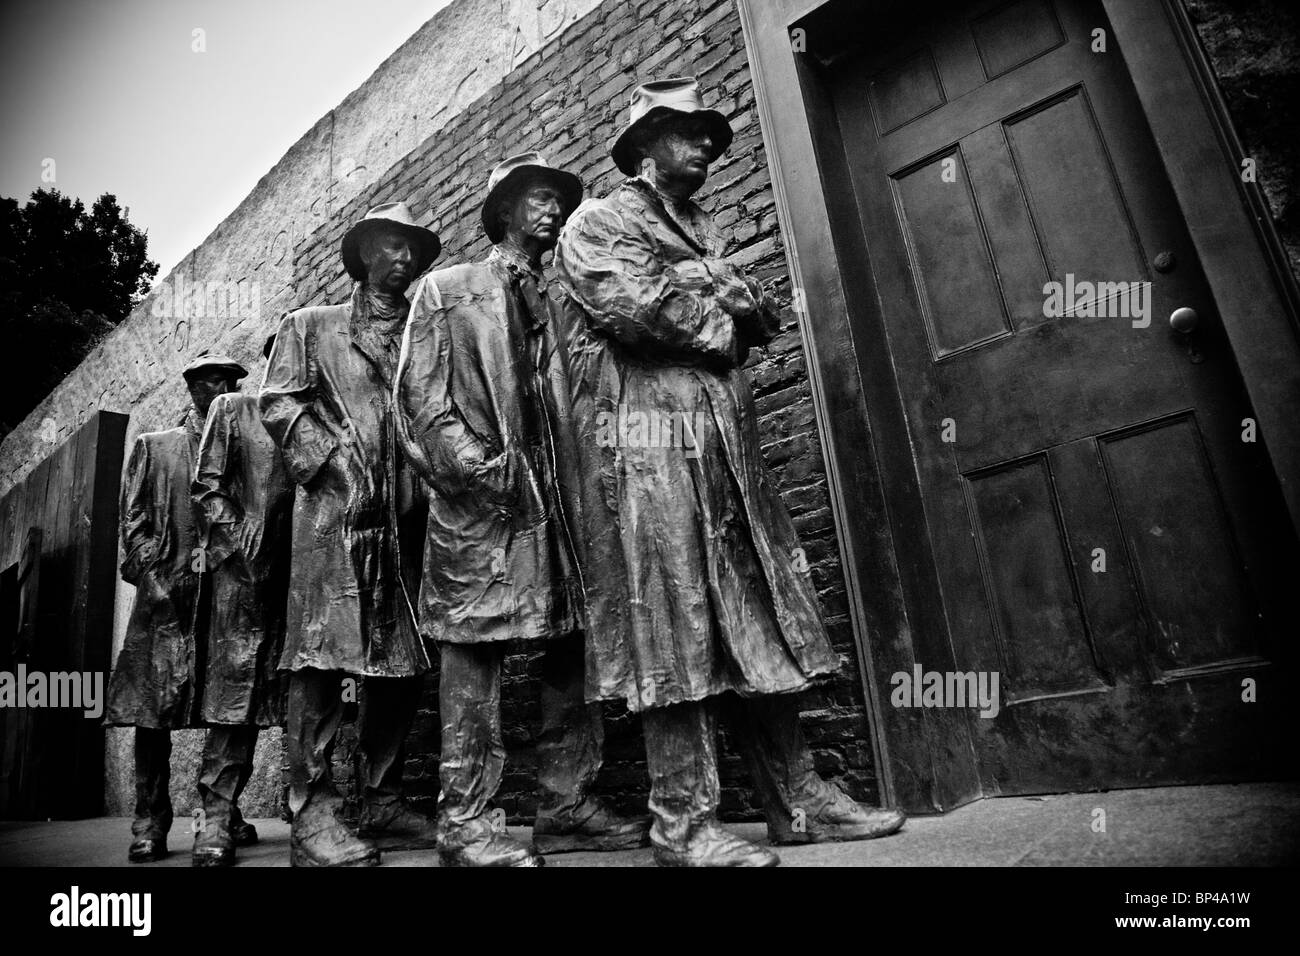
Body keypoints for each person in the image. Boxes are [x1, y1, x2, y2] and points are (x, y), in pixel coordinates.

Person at [554, 77, 907, 866]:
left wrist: (719, 290)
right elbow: (638, 310)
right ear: (645, 146)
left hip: (724, 452)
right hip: (649, 450)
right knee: (675, 621)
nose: (708, 145)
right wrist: (721, 296)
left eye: (712, 134)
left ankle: (798, 801)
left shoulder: (703, 227)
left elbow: (763, 319)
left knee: (758, 614)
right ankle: (681, 825)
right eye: (688, 131)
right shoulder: (599, 221)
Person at [396, 153, 648, 867]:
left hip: (568, 502)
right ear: (502, 211)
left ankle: (567, 806)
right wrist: (477, 469)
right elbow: (420, 402)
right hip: (488, 504)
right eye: (535, 198)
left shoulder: (569, 294)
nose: (550, 209)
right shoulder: (449, 288)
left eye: (556, 199)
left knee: (575, 645)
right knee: (474, 653)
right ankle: (466, 819)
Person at [260, 202, 441, 866]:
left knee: (400, 664)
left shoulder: (424, 335)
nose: (404, 259)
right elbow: (278, 401)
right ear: (364, 254)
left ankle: (381, 798)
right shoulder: (313, 326)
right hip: (334, 524)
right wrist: (334, 462)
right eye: (392, 246)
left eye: (412, 250)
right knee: (319, 659)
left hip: (406, 524)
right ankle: (313, 812)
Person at [105, 354, 248, 863]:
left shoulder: (248, 449)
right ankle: (150, 822)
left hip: (230, 603)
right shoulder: (156, 447)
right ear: (193, 388)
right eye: (215, 380)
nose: (225, 387)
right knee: (153, 712)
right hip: (166, 601)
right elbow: (134, 522)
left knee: (233, 711)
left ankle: (217, 820)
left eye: (231, 381)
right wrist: (153, 576)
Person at [188, 333, 294, 866]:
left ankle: (313, 810)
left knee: (310, 697)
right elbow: (206, 488)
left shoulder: (322, 417)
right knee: (235, 701)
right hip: (245, 579)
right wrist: (239, 529)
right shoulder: (234, 409)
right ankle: (216, 815)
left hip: (303, 579)